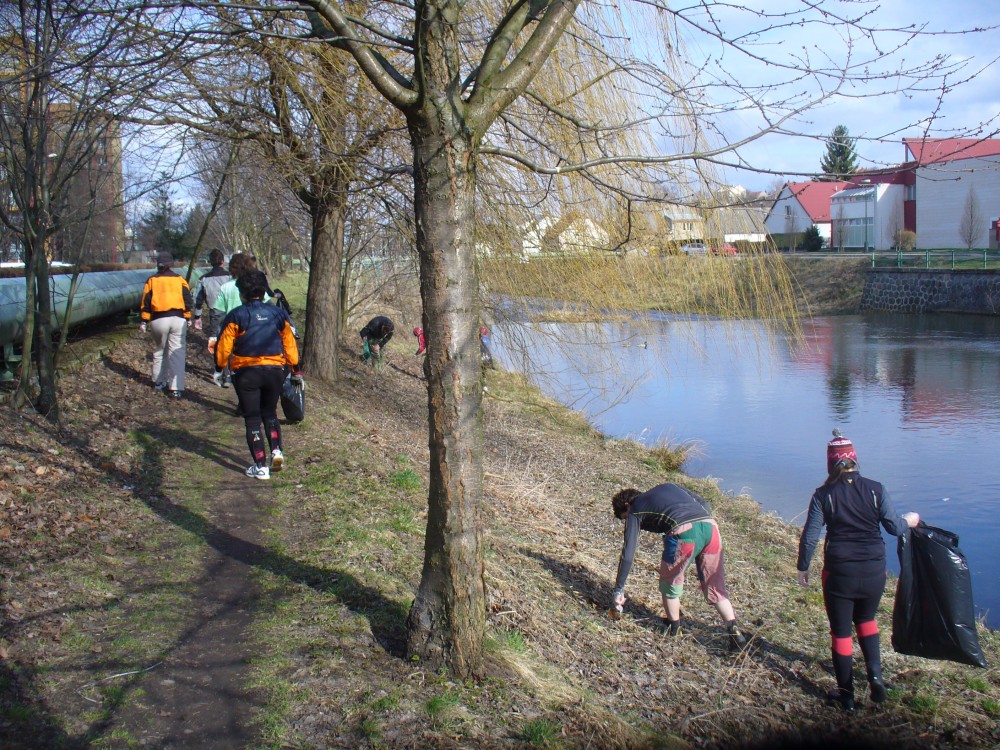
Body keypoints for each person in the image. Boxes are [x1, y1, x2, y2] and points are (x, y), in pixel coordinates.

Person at [796, 430, 920, 713]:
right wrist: (909, 520)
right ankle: (875, 676)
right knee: (866, 619)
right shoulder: (876, 489)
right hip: (875, 570)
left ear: (830, 463)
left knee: (841, 633)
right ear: (855, 460)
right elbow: (894, 527)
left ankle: (847, 697)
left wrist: (803, 566)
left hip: (840, 573)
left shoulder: (823, 495)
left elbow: (810, 536)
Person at [611, 483, 747, 649]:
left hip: (683, 532)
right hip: (711, 528)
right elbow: (703, 503)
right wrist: (699, 525)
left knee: (670, 583)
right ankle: (735, 632)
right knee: (714, 585)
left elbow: (628, 553)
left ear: (627, 505)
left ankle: (674, 628)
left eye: (625, 518)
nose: (629, 522)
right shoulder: (668, 486)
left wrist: (619, 589)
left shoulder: (635, 510)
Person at [214, 270, 301, 480]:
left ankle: (261, 467)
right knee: (270, 413)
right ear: (263, 292)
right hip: (274, 371)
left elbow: (224, 347)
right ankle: (277, 452)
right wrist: (295, 369)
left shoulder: (236, 315)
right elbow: (290, 344)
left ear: (242, 294)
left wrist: (219, 368)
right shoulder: (278, 314)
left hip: (246, 373)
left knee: (252, 419)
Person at [139, 251, 193, 399]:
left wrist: (144, 321)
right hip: (178, 319)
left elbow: (146, 302)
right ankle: (176, 388)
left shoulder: (151, 280)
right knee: (177, 353)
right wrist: (188, 317)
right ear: (171, 265)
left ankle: (159, 382)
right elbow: (188, 300)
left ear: (158, 265)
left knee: (159, 351)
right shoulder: (180, 280)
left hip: (158, 319)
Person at [191, 248, 230, 355]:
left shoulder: (203, 279)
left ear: (211, 262)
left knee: (215, 334)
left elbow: (198, 299)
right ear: (222, 261)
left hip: (214, 310)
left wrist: (197, 316)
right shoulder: (230, 276)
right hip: (230, 309)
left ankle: (216, 356)